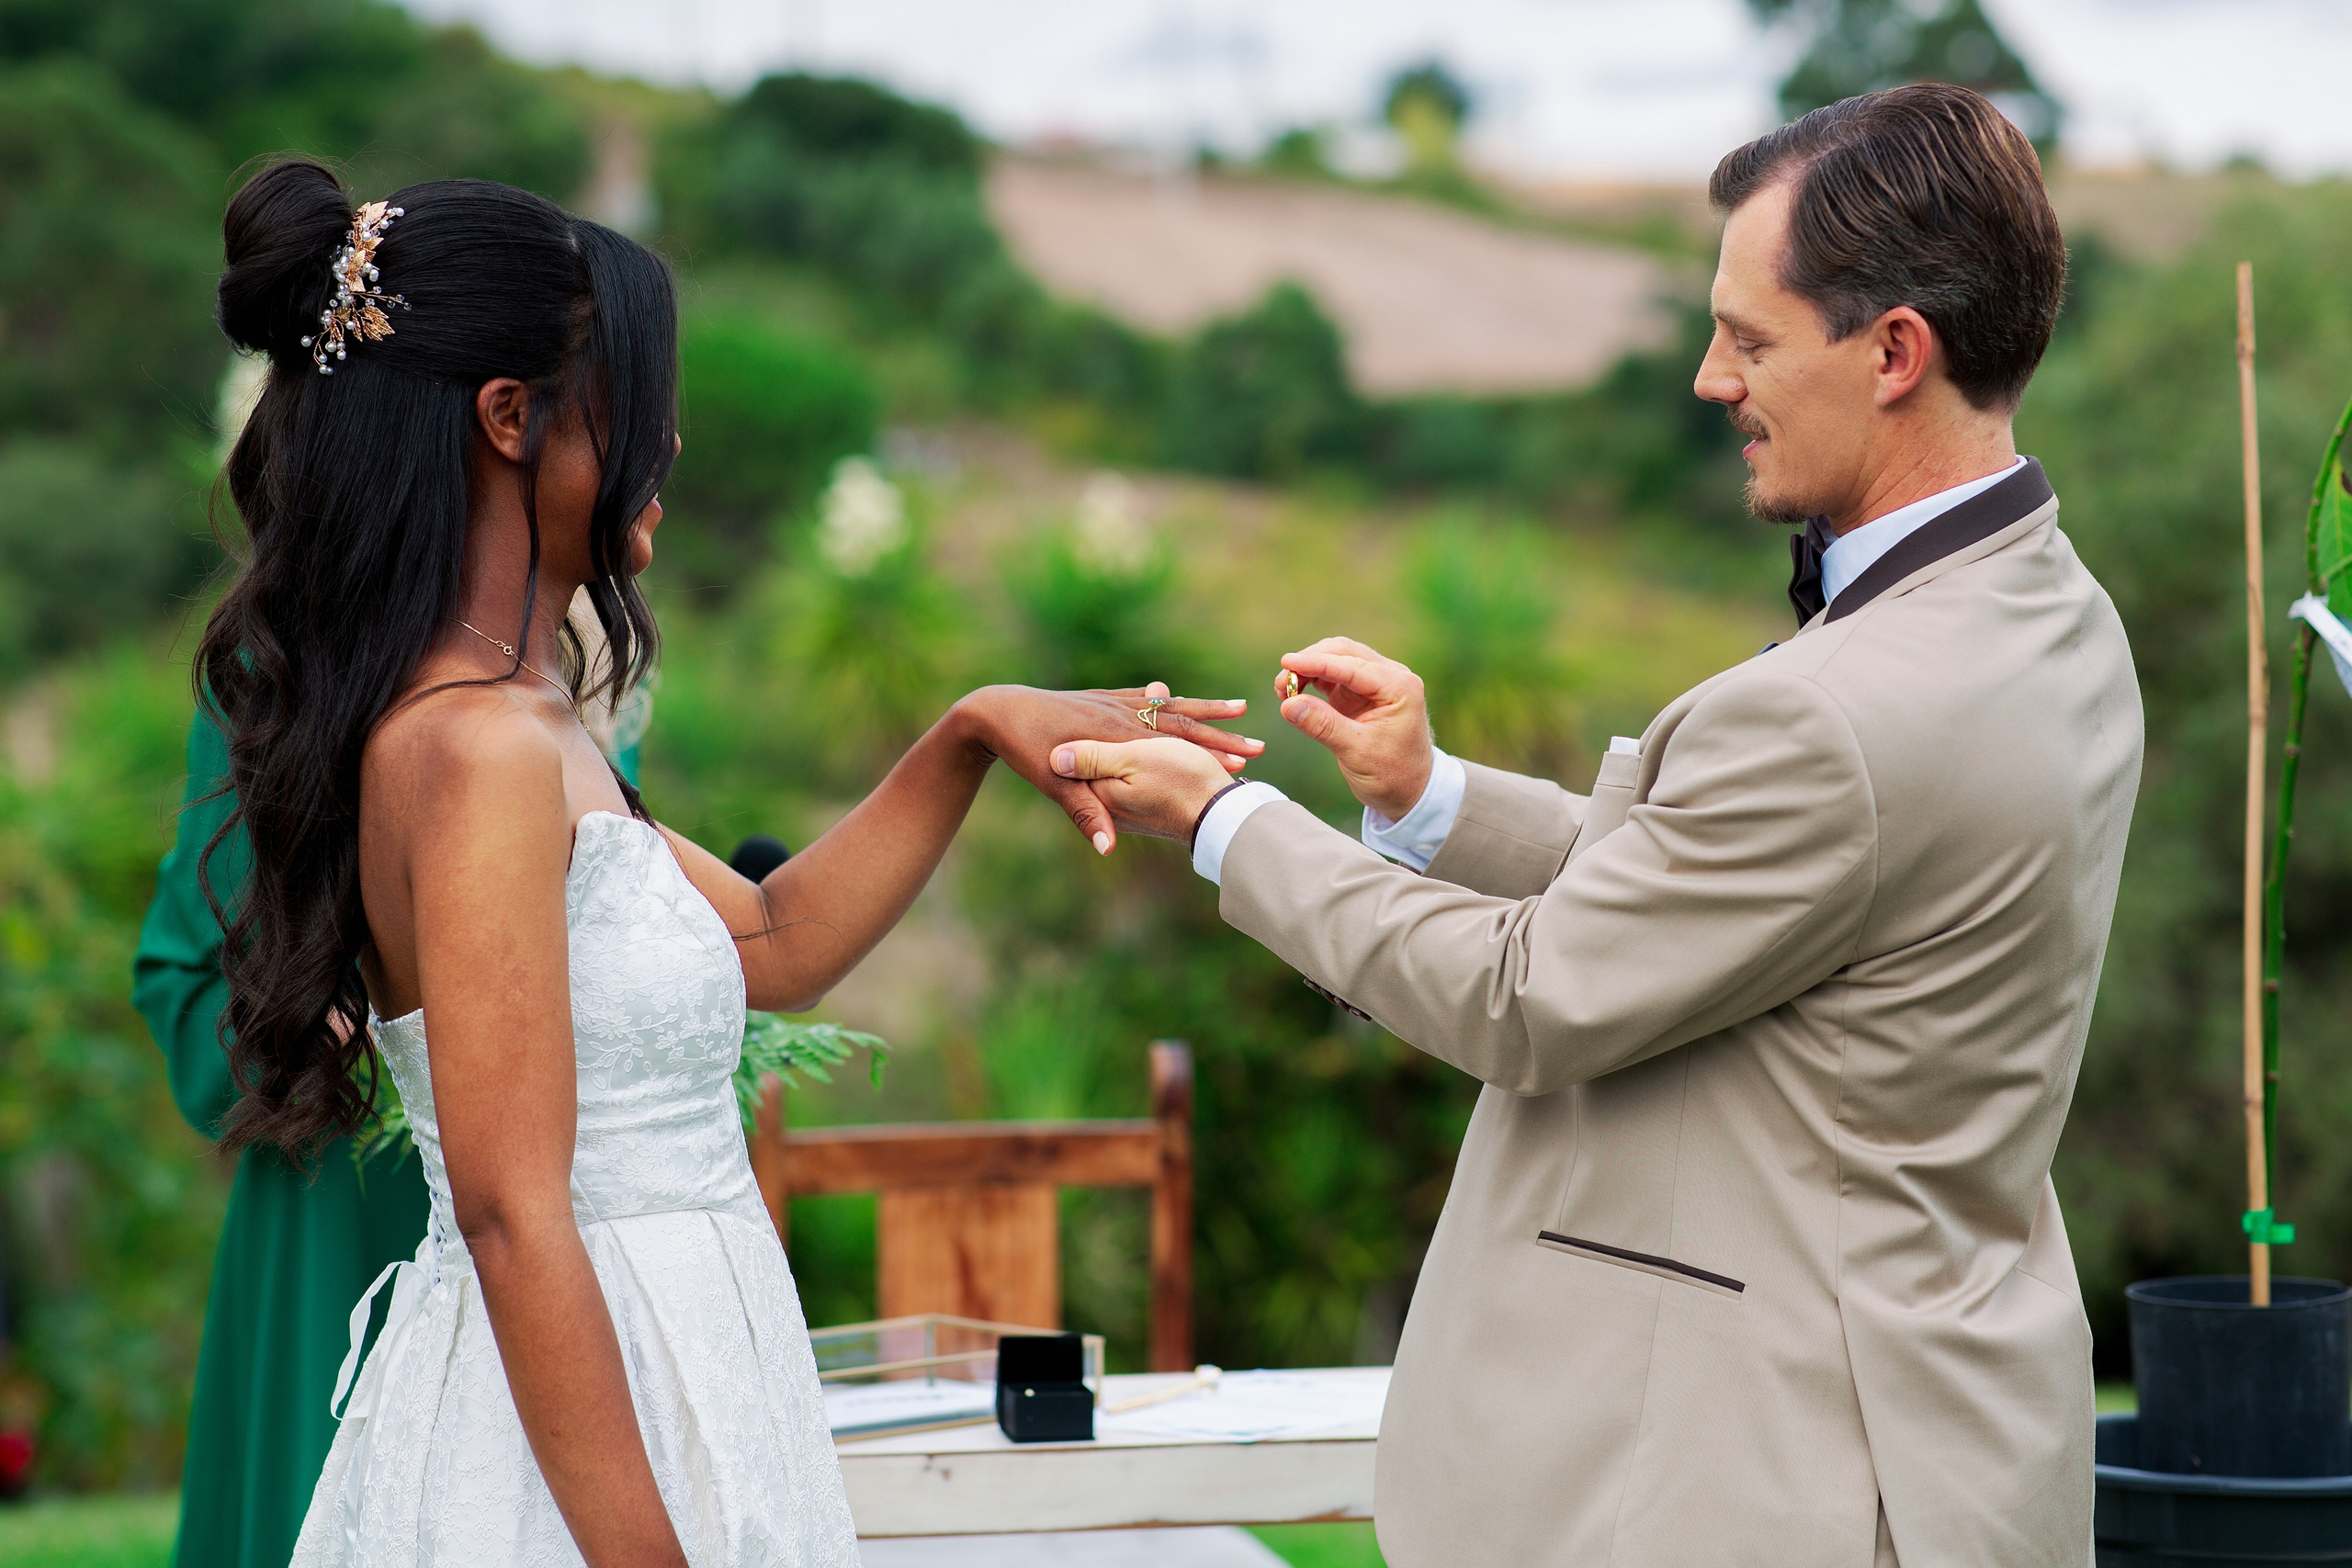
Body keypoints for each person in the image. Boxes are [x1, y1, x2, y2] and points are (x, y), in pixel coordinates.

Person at [1051, 85, 2141, 1567]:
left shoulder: (1838, 710)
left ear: (1896, 351)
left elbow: (1533, 993)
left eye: (1749, 338)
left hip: (1773, 1475)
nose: (1709, 378)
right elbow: (1766, 897)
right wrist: (1430, 800)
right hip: (1949, 1434)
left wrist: (1227, 820)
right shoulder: (2058, 613)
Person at [197, 158, 1255, 1565]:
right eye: (634, 399)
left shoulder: (529, 723)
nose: (672, 440)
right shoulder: (479, 750)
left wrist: (969, 730)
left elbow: (774, 943)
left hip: (684, 1369)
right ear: (507, 420)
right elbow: (516, 1214)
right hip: (571, 1447)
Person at [132, 592, 653, 1568]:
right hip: (349, 1202)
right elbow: (188, 973)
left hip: (574, 1194)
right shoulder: (285, 654)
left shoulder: (587, 646)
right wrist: (297, 1031)